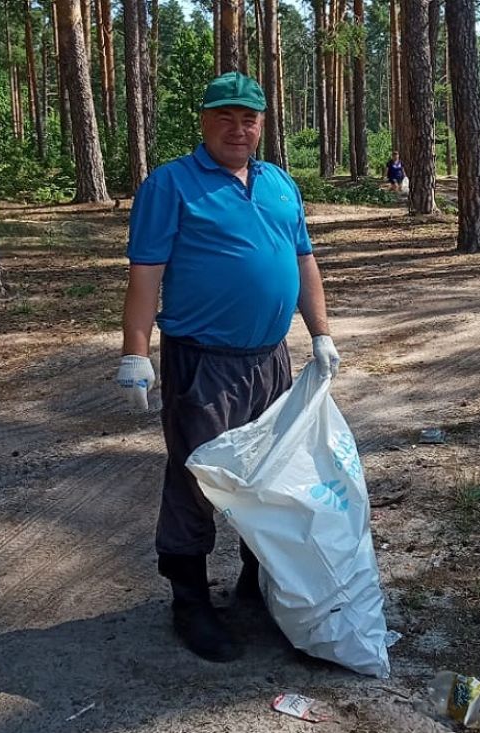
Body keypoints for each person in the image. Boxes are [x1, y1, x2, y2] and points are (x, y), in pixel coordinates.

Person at [114, 71, 341, 664]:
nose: (238, 128)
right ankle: (189, 600)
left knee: (269, 476)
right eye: (226, 116)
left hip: (271, 359)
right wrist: (135, 352)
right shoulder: (171, 185)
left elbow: (303, 260)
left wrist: (320, 334)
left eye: (249, 118)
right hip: (203, 363)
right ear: (204, 121)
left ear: (262, 124)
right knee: (198, 479)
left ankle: (254, 584)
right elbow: (145, 276)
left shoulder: (278, 183)